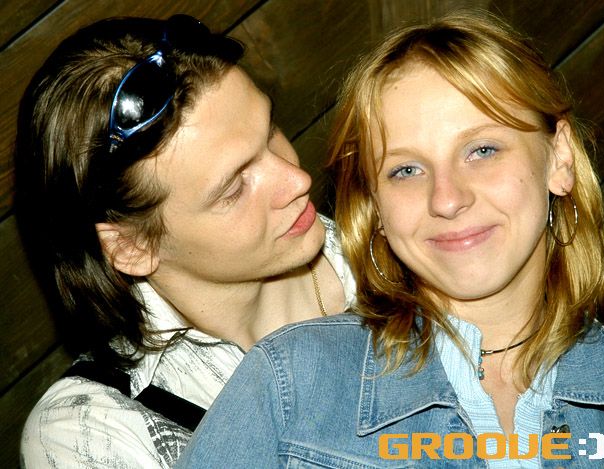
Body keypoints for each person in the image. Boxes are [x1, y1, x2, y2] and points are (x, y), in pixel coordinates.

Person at [176, 10, 604, 468]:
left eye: (482, 150)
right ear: (375, 207)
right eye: (406, 170)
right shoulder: (291, 387)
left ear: (560, 158)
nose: (447, 198)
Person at [15, 14, 355, 468]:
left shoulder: (396, 252)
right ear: (132, 247)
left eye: (271, 130)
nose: (297, 179)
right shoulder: (94, 430)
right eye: (233, 188)